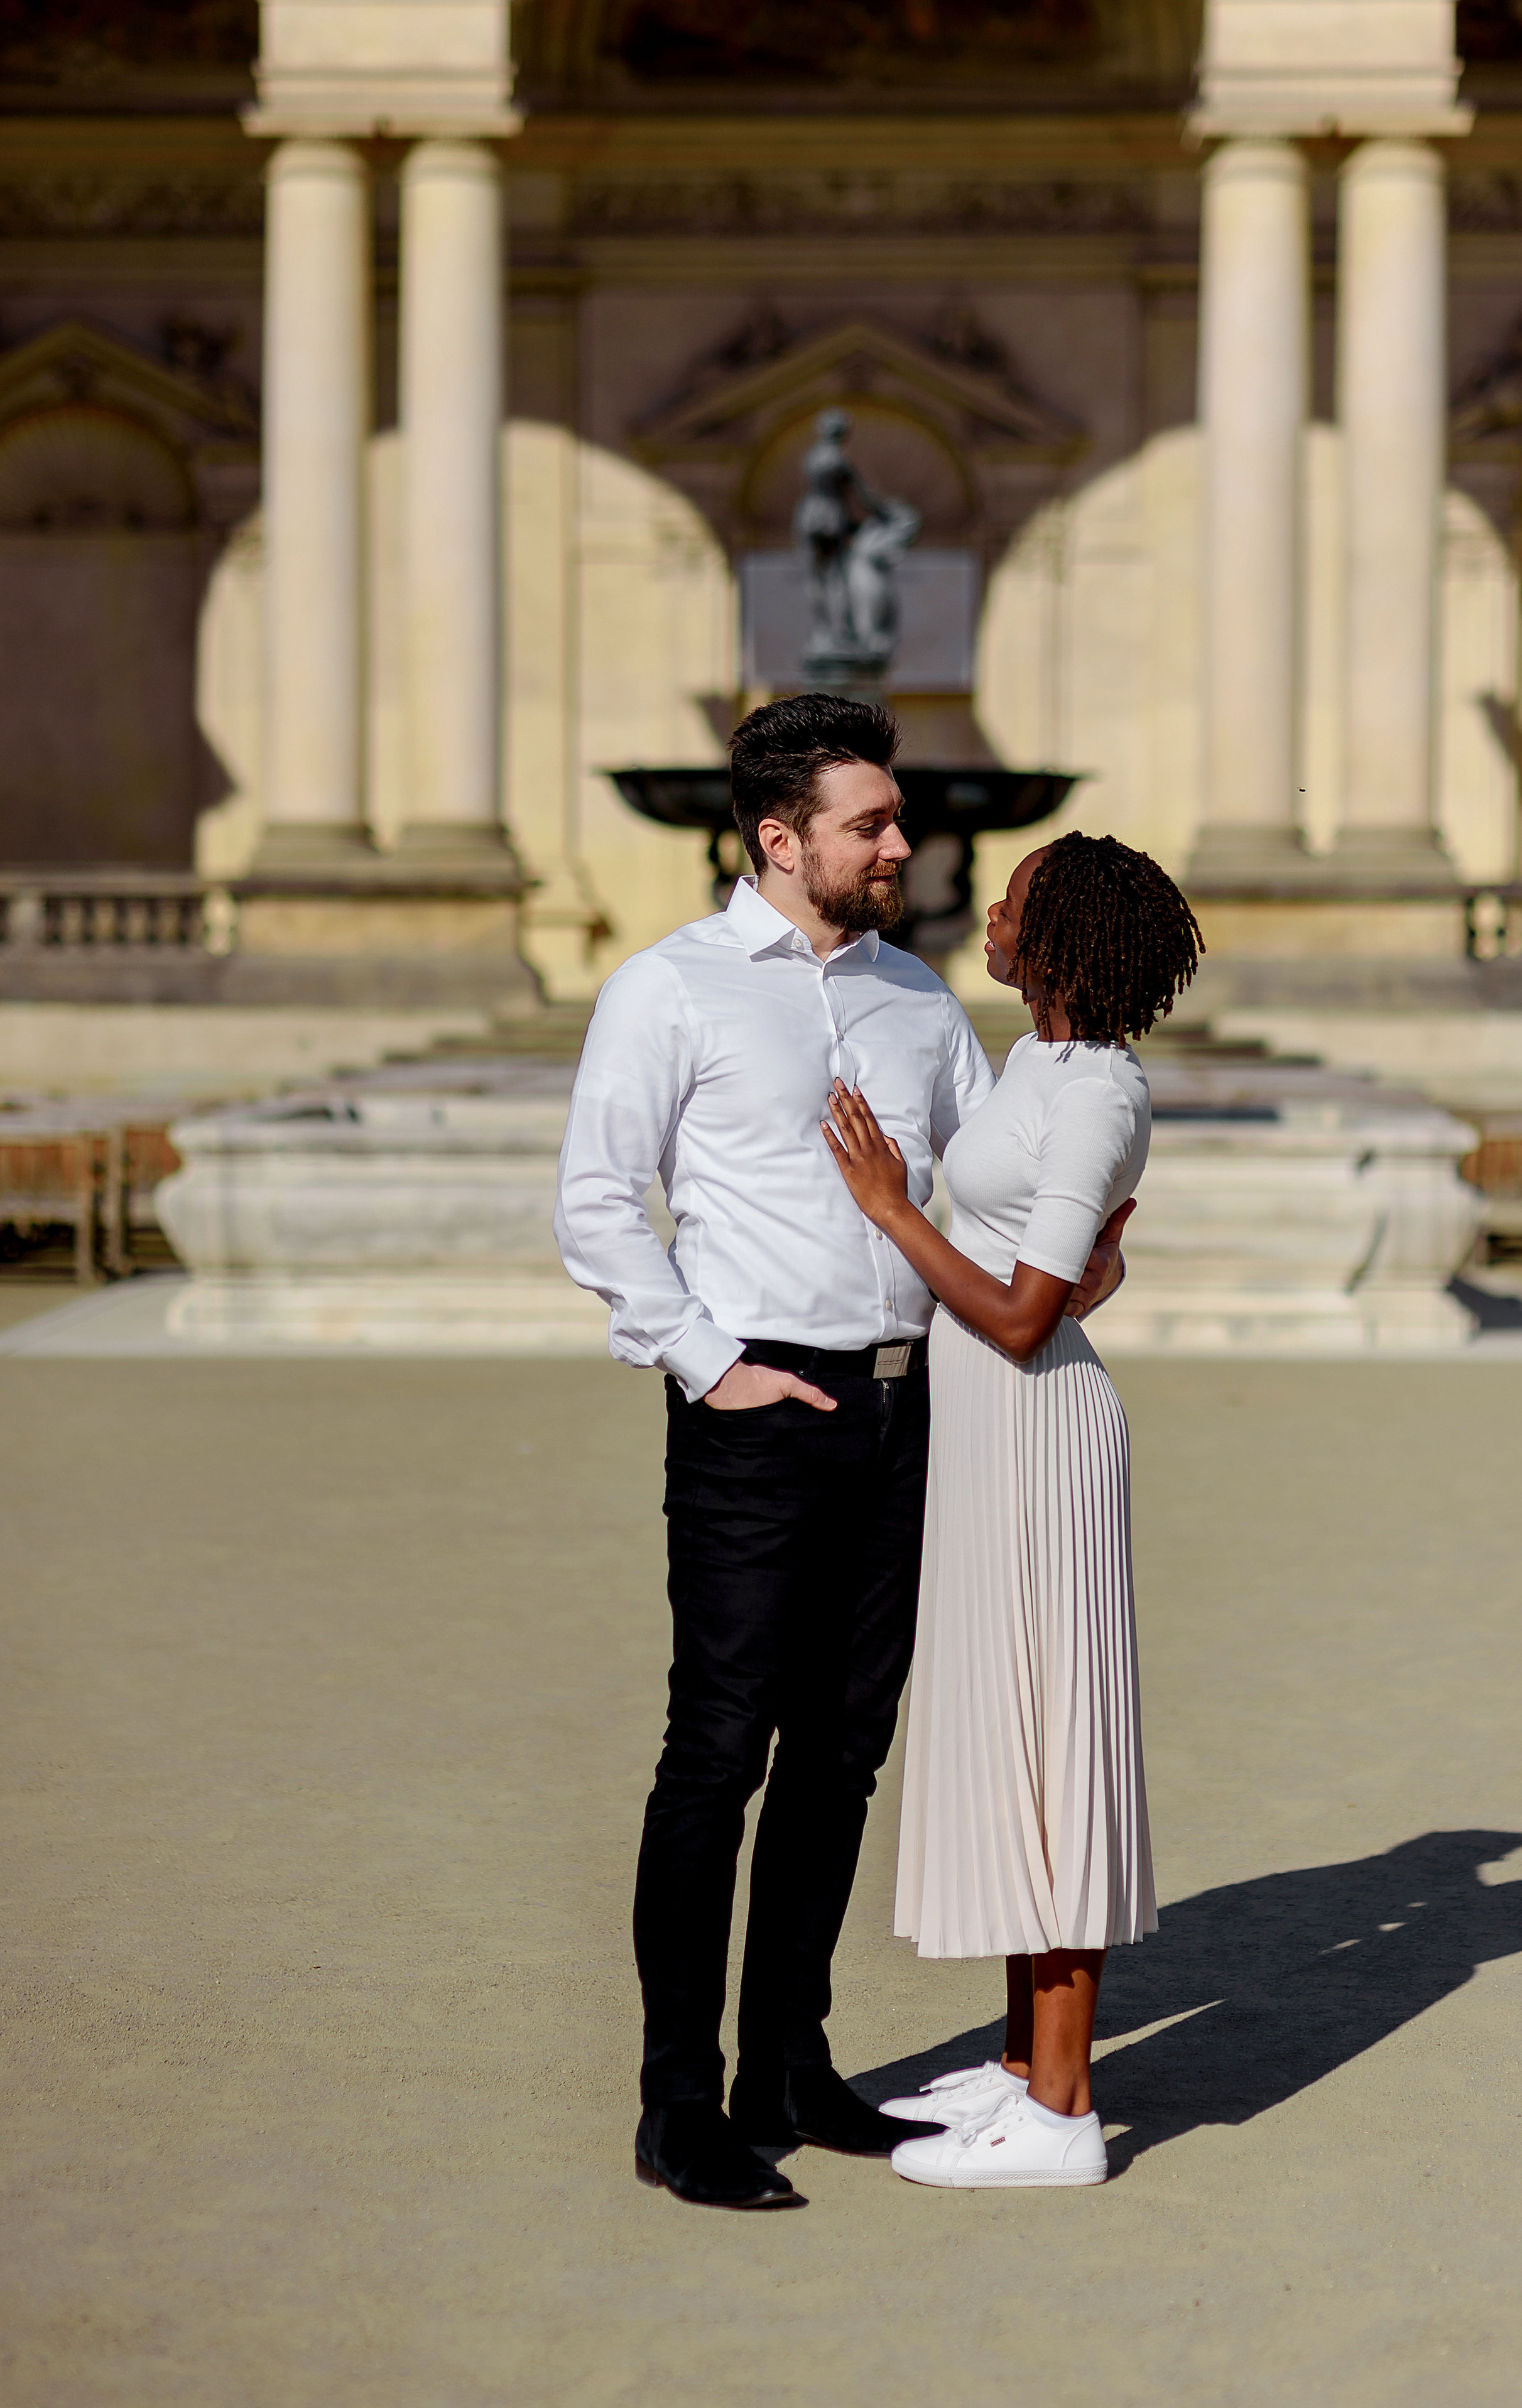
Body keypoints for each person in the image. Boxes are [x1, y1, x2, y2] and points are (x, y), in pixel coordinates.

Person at [553, 695, 1126, 2213]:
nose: (899, 842)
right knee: (716, 1753)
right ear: (777, 839)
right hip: (753, 1413)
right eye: (869, 824)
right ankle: (681, 2104)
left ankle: (789, 2071)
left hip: (907, 1411)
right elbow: (600, 1202)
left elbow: (994, 1191)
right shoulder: (664, 990)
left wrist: (1084, 1248)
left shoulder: (917, 1002)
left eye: (893, 820)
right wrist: (705, 1366)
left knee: (841, 1757)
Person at [822, 832, 1202, 2189]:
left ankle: (1062, 2112)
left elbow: (1023, 1312)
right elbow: (1044, 1261)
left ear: (1057, 942)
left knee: (1053, 1742)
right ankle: (1009, 2068)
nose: (986, 908)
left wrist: (886, 1209)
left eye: (1015, 900)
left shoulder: (1096, 1089)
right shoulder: (1034, 1061)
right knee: (1004, 1736)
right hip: (983, 1428)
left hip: (1036, 1428)